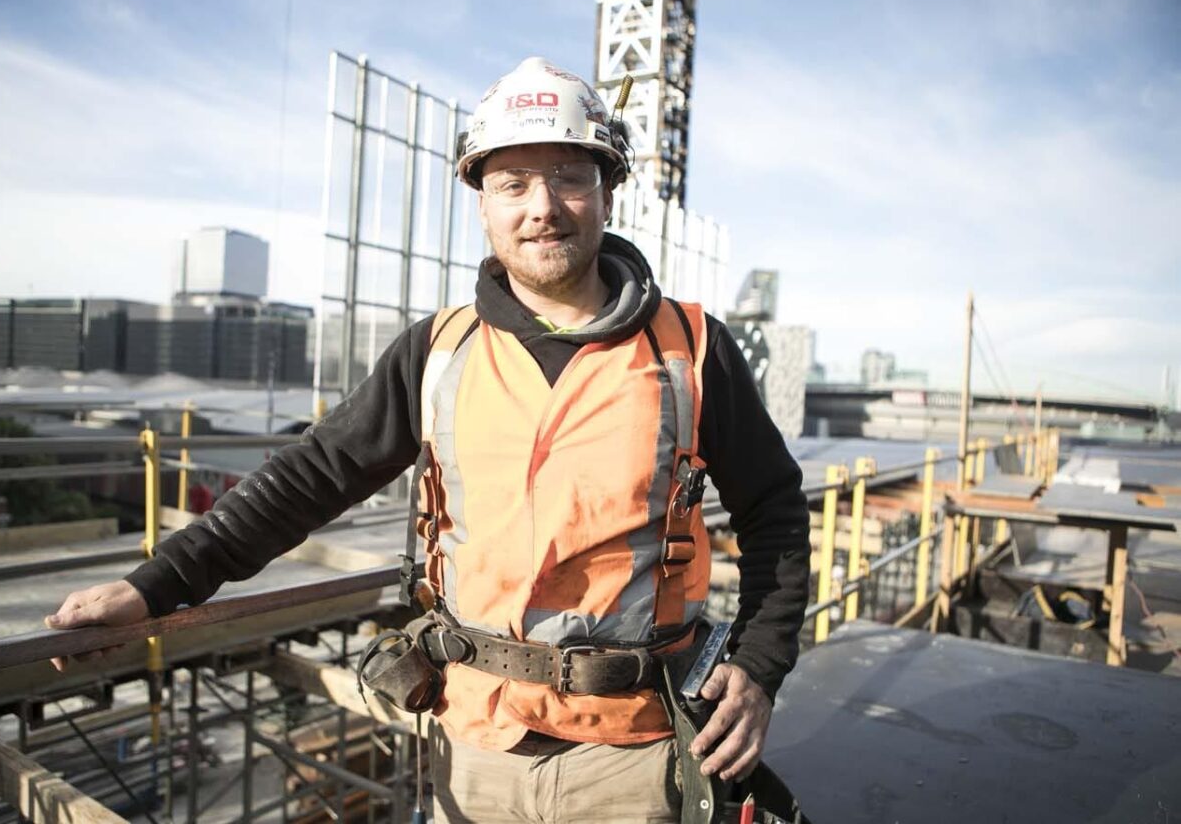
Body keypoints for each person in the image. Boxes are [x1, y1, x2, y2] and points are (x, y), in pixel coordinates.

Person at [47, 57, 811, 823]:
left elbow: (773, 511)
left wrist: (759, 666)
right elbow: (311, 476)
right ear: (482, 204)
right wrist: (154, 586)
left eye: (568, 178)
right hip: (473, 751)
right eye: (513, 184)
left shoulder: (690, 349)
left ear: (607, 192)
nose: (543, 207)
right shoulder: (441, 352)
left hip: (633, 758)